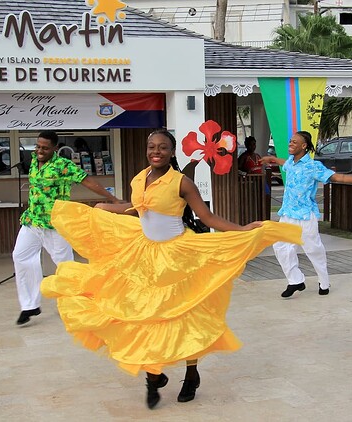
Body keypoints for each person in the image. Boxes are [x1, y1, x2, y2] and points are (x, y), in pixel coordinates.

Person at [40, 129, 302, 409]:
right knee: (144, 315)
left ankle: (191, 374)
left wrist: (241, 229)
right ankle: (154, 377)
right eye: (152, 146)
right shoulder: (138, 179)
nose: (156, 151)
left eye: (163, 147)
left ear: (172, 152)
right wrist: (110, 207)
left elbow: (207, 216)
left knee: (186, 316)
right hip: (142, 253)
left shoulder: (182, 182)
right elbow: (139, 207)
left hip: (177, 256)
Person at [13, 130, 120, 326]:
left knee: (64, 265)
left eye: (45, 148)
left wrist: (113, 199)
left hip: (56, 224)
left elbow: (88, 181)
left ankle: (77, 302)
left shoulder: (63, 165)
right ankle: (30, 305)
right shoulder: (33, 161)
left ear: (55, 148)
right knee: (20, 256)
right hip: (32, 220)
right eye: (38, 146)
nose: (40, 150)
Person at [261, 130, 352, 298]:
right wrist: (272, 159)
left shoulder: (313, 167)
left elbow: (338, 178)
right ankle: (295, 281)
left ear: (303, 146)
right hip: (287, 214)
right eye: (290, 141)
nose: (290, 144)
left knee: (313, 249)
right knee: (280, 247)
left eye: (294, 142)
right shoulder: (290, 162)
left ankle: (324, 281)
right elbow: (284, 163)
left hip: (305, 215)